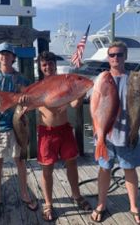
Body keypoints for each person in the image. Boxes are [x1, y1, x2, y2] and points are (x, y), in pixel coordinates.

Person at [90, 41, 140, 224]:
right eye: (112, 54)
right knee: (104, 169)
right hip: (105, 136)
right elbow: (89, 102)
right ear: (108, 57)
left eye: (119, 54)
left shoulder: (133, 78)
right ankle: (101, 203)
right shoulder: (101, 78)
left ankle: (133, 205)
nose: (116, 58)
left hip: (128, 134)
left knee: (129, 169)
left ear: (126, 56)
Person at [0, 41, 38, 216]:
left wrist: (26, 101)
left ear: (13, 58)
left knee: (20, 160)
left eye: (8, 54)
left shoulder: (22, 79)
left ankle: (25, 195)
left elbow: (30, 101)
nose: (5, 57)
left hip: (17, 126)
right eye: (1, 54)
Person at [36, 51, 92, 221]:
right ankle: (48, 203)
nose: (48, 67)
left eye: (50, 63)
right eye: (44, 64)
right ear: (40, 66)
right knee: (47, 169)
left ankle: (76, 196)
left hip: (65, 129)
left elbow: (75, 104)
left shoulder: (63, 83)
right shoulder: (37, 86)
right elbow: (29, 104)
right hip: (46, 132)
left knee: (72, 164)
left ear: (55, 64)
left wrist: (81, 93)